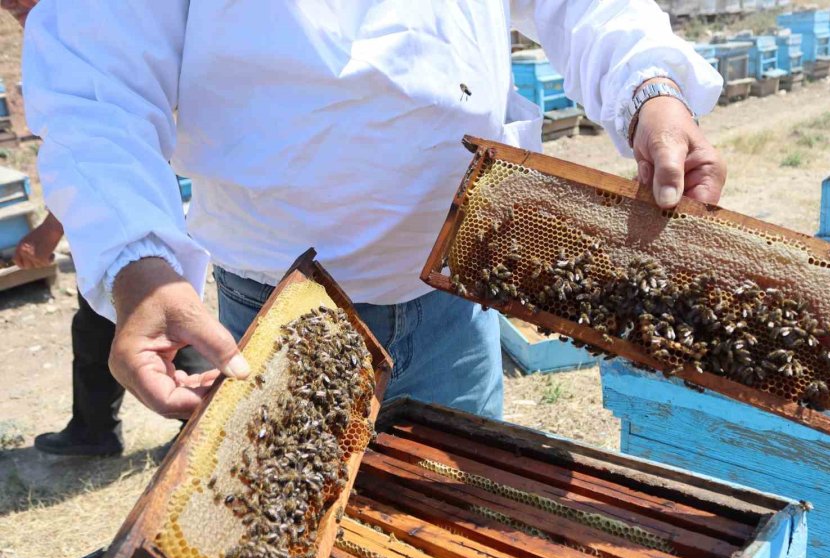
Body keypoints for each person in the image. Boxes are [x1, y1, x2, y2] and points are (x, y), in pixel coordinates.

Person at [22, 1, 726, 422]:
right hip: (271, 317)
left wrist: (651, 87)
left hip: (455, 296)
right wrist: (135, 261)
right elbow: (95, 79)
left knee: (466, 552)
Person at [5, 0, 207, 456]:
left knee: (161, 308)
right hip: (110, 210)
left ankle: (196, 418)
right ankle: (96, 428)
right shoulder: (52, 35)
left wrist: (51, 229)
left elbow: (112, 144)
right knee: (106, 319)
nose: (14, 6)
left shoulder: (108, 28)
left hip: (136, 205)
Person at [13, 213, 208, 456]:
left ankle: (207, 418)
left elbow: (93, 176)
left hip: (129, 228)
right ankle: (94, 429)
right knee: (99, 328)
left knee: (164, 326)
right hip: (118, 229)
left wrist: (51, 228)